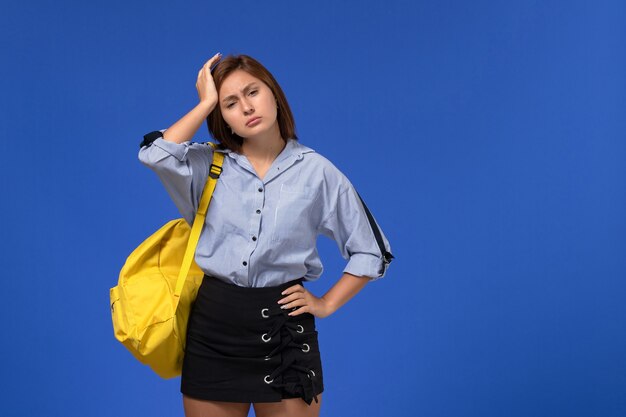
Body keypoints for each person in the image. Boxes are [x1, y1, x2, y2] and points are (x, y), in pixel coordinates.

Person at [138, 52, 394, 417]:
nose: (246, 107)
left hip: (285, 331)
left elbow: (372, 251)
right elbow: (154, 154)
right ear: (221, 117)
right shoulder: (207, 162)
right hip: (214, 330)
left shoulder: (318, 172)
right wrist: (206, 101)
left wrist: (327, 303)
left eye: (252, 92)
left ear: (273, 92)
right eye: (230, 103)